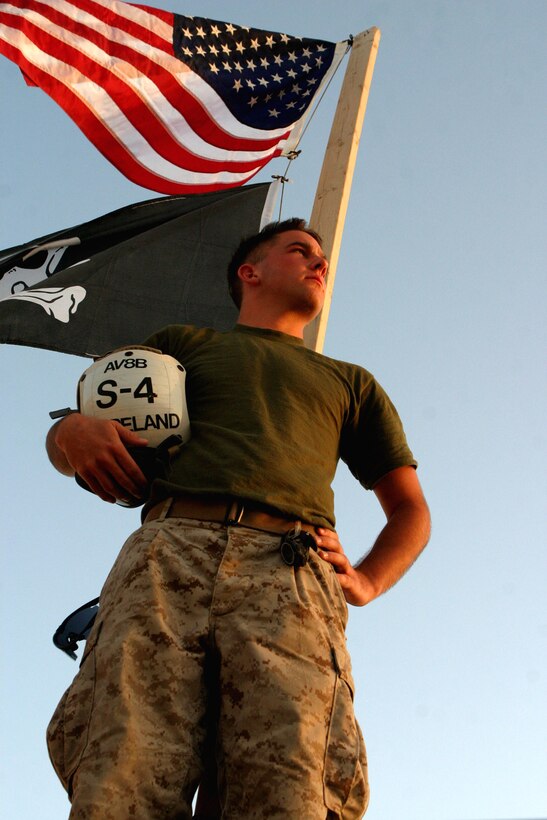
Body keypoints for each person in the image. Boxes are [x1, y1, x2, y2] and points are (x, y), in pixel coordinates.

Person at [45, 218, 430, 819]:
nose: (319, 263)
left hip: (291, 571)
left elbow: (410, 510)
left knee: (290, 783)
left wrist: (368, 580)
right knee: (124, 771)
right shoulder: (185, 345)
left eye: (322, 258)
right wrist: (71, 430)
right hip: (168, 556)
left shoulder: (350, 383)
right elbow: (78, 434)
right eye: (300, 251)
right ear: (250, 272)